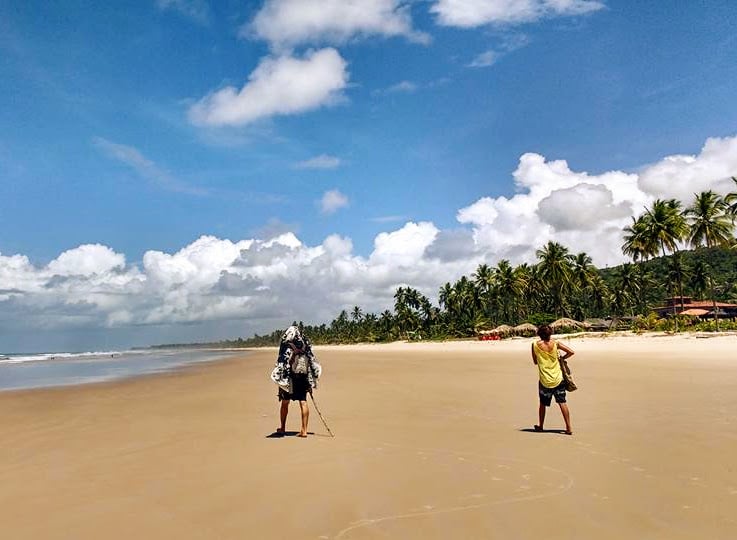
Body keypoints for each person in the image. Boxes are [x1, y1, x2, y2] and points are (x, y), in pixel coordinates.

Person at [273, 325, 321, 438]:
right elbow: (311, 363)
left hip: (289, 377)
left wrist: (280, 379)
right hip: (303, 377)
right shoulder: (306, 346)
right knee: (303, 402)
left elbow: (281, 362)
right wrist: (310, 381)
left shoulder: (286, 345)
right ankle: (304, 430)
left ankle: (282, 427)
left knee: (285, 403)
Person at [531, 324, 575, 435]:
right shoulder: (556, 343)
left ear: (539, 334)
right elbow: (571, 352)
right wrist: (562, 358)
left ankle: (541, 426)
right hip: (558, 378)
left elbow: (535, 362)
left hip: (544, 380)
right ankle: (569, 427)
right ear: (550, 334)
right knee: (562, 402)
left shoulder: (535, 345)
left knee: (542, 403)